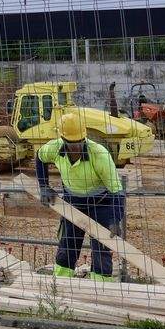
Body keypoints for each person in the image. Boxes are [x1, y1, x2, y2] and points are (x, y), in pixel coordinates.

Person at [34, 113, 125, 280]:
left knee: (101, 251)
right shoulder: (54, 148)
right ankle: (60, 287)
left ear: (84, 136)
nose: (76, 146)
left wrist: (114, 220)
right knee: (67, 247)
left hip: (101, 204)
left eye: (79, 142)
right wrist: (44, 186)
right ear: (62, 138)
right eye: (71, 143)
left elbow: (117, 192)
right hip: (72, 203)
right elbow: (40, 157)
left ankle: (102, 290)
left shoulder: (100, 154)